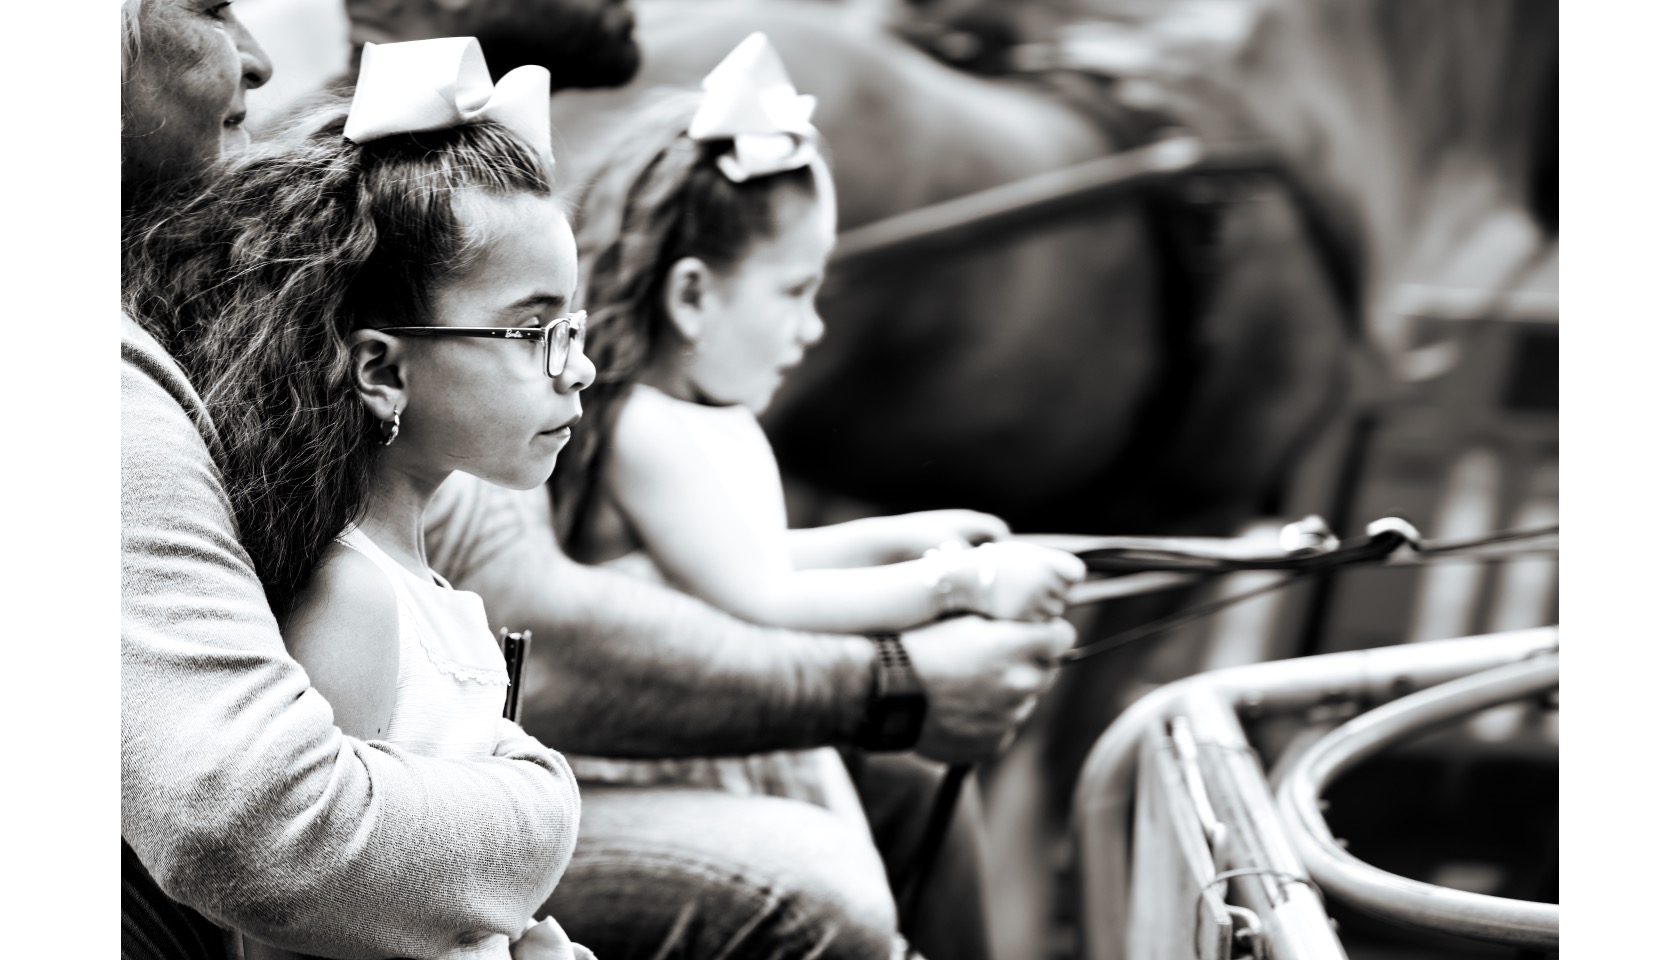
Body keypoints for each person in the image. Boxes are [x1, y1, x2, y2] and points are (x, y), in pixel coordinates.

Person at [538, 32, 1082, 861]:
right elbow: (766, 601)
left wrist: (896, 539)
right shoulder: (649, 428)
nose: (814, 325)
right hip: (668, 764)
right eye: (794, 291)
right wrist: (956, 581)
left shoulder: (703, 417)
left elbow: (753, 559)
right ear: (692, 296)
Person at [120, 5, 583, 959]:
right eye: (532, 332)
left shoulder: (415, 585)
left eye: (571, 330)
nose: (574, 368)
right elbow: (293, 931)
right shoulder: (353, 601)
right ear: (380, 370)